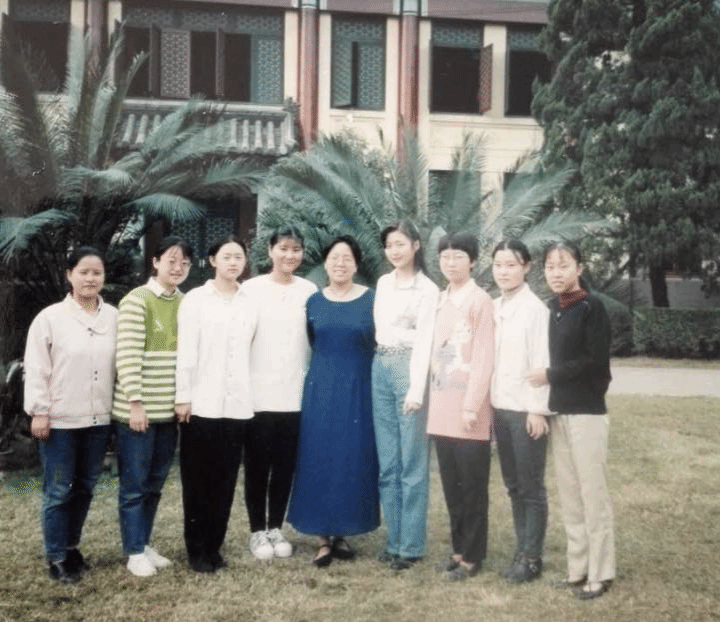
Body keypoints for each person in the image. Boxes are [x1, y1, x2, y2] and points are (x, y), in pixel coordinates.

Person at [24, 247, 117, 583]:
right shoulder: (50, 318)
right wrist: (39, 411)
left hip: (98, 419)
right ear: (69, 275)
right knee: (59, 489)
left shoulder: (114, 317)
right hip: (60, 419)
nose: (91, 279)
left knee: (86, 488)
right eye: (84, 272)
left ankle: (72, 546)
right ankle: (56, 556)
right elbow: (37, 368)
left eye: (97, 273)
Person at [287, 235, 380, 567]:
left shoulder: (371, 300)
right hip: (321, 389)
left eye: (347, 258)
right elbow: (311, 342)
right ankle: (322, 538)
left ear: (356, 264)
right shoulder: (313, 302)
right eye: (334, 258)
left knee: (351, 458)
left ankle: (343, 532)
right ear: (325, 263)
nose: (340, 263)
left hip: (358, 389)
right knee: (319, 457)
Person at [528, 241, 614, 600]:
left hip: (586, 413)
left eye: (563, 265)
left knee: (592, 494)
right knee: (569, 495)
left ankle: (601, 572)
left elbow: (595, 363)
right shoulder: (551, 309)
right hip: (559, 412)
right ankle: (577, 569)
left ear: (579, 268)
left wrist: (550, 375)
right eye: (550, 266)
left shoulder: (592, 307)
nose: (556, 273)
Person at [175, 236, 258, 573]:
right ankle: (196, 549)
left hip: (236, 405)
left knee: (225, 480)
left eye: (239, 256)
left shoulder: (249, 302)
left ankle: (214, 546)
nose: (233, 262)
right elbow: (186, 351)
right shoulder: (195, 299)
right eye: (227, 256)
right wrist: (183, 396)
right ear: (212, 260)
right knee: (198, 481)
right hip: (201, 404)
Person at [112, 236, 193, 577]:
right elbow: (127, 355)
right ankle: (133, 552)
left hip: (168, 413)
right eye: (171, 261)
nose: (178, 268)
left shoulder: (186, 302)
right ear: (155, 261)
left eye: (184, 263)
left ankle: (143, 543)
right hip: (138, 412)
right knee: (134, 485)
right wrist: (135, 402)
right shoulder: (136, 300)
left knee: (155, 483)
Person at [240, 226, 317, 560]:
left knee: (285, 466)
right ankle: (257, 531)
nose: (290, 255)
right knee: (258, 465)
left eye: (296, 249)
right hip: (258, 393)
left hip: (295, 393)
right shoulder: (251, 289)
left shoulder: (309, 290)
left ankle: (275, 527)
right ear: (270, 250)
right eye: (283, 248)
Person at [427, 232, 494, 582]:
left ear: (473, 261)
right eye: (445, 256)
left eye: (458, 256)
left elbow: (483, 356)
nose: (450, 263)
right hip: (441, 406)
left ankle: (472, 555)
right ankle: (457, 550)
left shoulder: (480, 301)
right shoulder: (440, 300)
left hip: (470, 410)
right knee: (452, 486)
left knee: (472, 487)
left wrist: (471, 405)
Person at [372, 220, 439, 570]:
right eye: (389, 245)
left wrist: (416, 389)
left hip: (408, 367)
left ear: (415, 245)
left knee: (412, 462)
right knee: (388, 463)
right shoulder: (384, 283)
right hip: (380, 366)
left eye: (400, 244)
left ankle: (410, 546)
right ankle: (393, 540)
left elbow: (425, 340)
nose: (394, 251)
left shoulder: (427, 289)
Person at [490, 240, 550, 584]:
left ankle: (532, 558)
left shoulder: (535, 310)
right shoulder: (495, 306)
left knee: (530, 485)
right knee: (513, 485)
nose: (504, 272)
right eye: (498, 265)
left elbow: (541, 361)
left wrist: (537, 410)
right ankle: (521, 550)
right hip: (501, 407)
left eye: (511, 265)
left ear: (526, 267)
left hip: (526, 410)